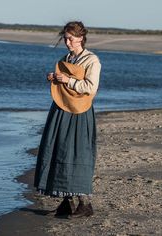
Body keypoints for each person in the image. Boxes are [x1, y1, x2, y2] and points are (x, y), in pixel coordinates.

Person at [34, 21, 101, 218]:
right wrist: (54, 78)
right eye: (65, 38)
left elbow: (90, 87)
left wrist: (68, 80)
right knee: (58, 151)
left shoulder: (92, 61)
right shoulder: (66, 58)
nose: (67, 42)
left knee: (76, 154)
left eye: (70, 38)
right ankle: (66, 202)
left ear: (81, 38)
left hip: (80, 113)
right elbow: (64, 83)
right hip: (61, 109)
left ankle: (85, 204)